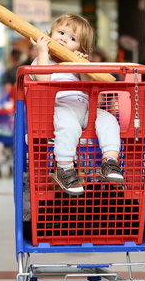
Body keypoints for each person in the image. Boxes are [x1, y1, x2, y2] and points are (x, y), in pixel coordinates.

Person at [30, 13, 124, 196]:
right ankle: (64, 168)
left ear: (80, 47)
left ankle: (110, 161)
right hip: (59, 107)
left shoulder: (77, 62)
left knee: (109, 119)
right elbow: (42, 79)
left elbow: (89, 85)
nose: (64, 40)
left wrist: (82, 65)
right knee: (68, 125)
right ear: (50, 34)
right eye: (61, 32)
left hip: (85, 108)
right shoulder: (44, 60)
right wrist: (42, 52)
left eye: (72, 38)